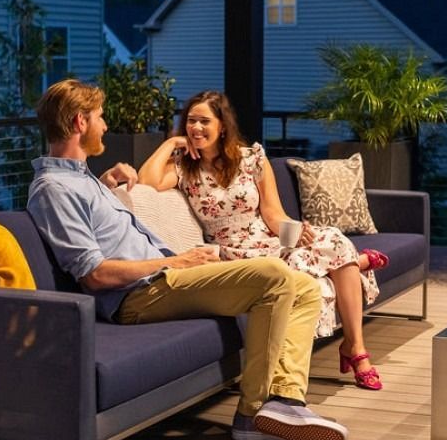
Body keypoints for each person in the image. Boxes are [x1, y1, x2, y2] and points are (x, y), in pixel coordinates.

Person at [26, 79, 347, 440]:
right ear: (80, 123)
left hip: (164, 280)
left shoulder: (80, 180)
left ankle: (286, 400)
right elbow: (95, 275)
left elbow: (92, 223)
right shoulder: (53, 188)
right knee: (274, 275)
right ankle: (253, 411)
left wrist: (104, 182)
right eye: (100, 118)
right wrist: (179, 260)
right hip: (138, 297)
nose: (105, 126)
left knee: (303, 286)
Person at [138, 90, 389, 391]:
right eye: (191, 121)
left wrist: (294, 229)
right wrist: (170, 142)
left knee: (333, 240)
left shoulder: (251, 158)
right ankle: (357, 268)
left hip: (267, 238)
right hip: (230, 252)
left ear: (222, 125)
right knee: (308, 266)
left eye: (204, 121)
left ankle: (355, 347)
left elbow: (272, 213)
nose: (196, 128)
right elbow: (146, 182)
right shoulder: (183, 166)